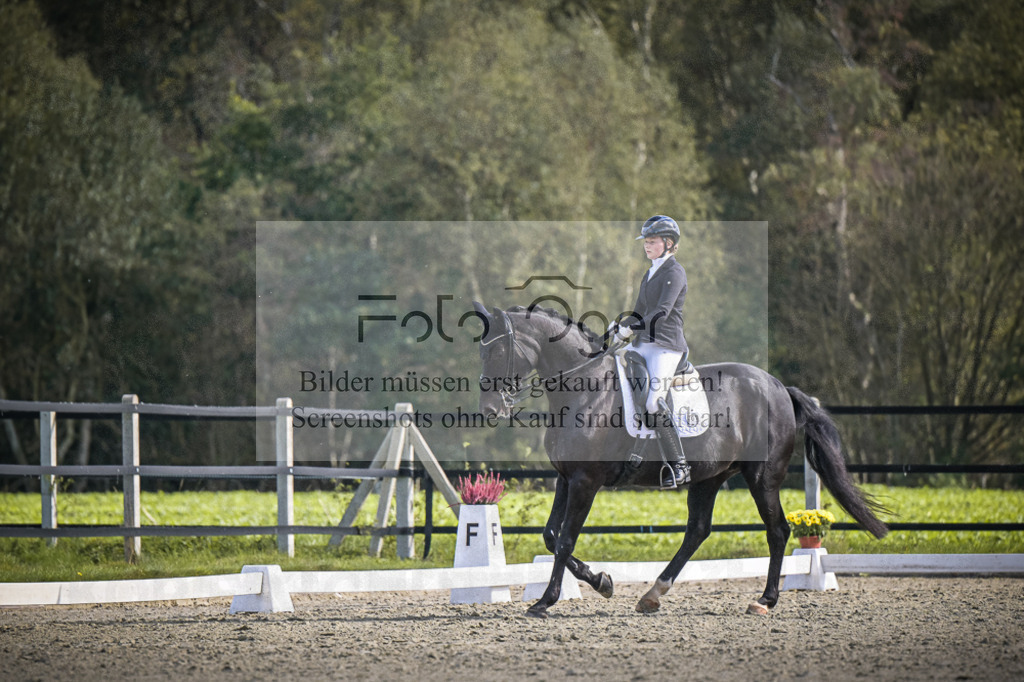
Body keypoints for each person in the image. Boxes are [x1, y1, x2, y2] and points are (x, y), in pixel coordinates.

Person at [611, 215, 691, 487]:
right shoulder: (650, 272)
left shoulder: (674, 272)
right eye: (645, 241)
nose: (647, 245)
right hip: (644, 343)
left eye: (652, 241)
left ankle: (679, 465)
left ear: (668, 244)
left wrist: (631, 330)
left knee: (653, 402)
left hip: (666, 346)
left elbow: (661, 313)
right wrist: (620, 325)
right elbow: (640, 312)